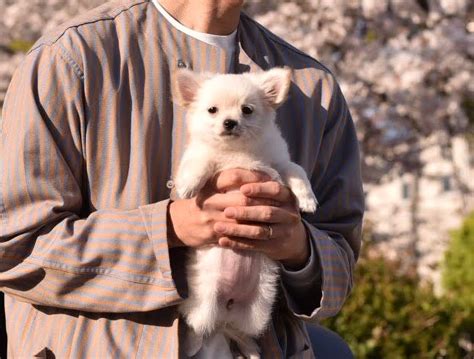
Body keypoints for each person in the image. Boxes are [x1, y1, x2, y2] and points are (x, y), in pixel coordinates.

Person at [0, 0, 364, 357]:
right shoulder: (72, 59)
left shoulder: (311, 88)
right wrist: (169, 229)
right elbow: (12, 246)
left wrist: (298, 247)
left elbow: (339, 265)